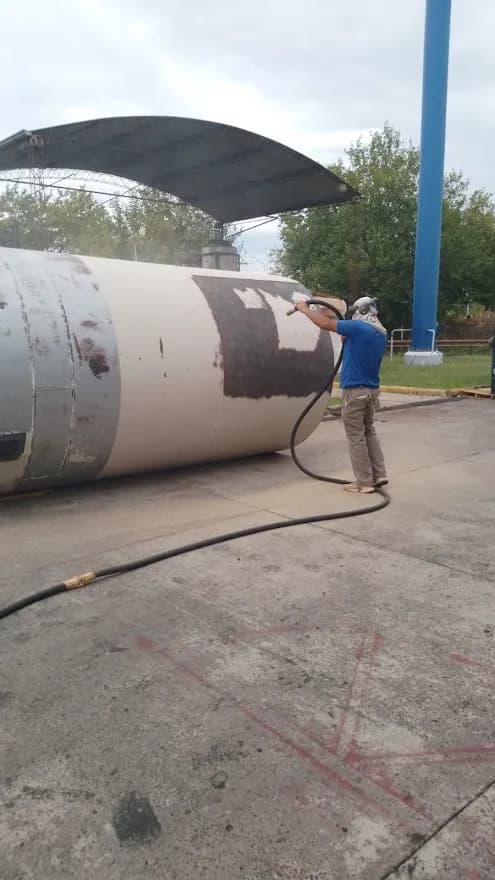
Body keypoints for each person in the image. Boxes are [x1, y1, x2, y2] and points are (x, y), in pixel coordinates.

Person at [295, 295, 388, 494]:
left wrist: (305, 309)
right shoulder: (380, 333)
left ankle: (364, 482)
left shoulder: (358, 328)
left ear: (360, 312)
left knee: (356, 436)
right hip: (372, 391)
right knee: (368, 431)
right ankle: (379, 474)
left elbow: (325, 323)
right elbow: (357, 344)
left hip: (355, 391)